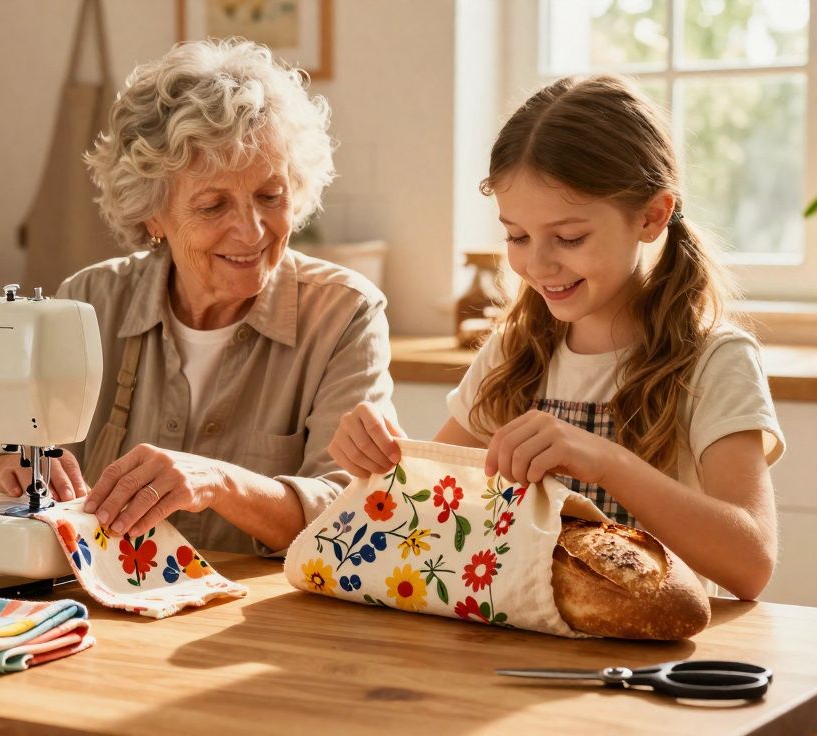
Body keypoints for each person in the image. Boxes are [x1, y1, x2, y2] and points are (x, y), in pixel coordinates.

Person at [328, 75, 784, 601]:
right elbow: (427, 509)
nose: (537, 264)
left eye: (570, 237)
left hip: (641, 663)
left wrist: (606, 462)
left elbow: (751, 565)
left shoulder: (713, 361)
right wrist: (380, 458)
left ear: (652, 216)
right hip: (515, 643)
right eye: (517, 236)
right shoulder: (513, 353)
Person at [0, 39, 394, 555]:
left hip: (263, 622)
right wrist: (3, 468)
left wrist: (218, 482)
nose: (251, 230)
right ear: (151, 213)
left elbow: (353, 512)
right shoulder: (88, 301)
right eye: (214, 205)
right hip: (100, 611)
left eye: (270, 196)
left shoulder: (344, 315)